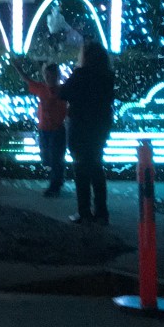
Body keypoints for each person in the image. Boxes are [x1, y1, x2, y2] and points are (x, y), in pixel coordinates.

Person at [58, 40, 115, 224]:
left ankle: (84, 212)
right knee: (96, 166)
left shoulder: (81, 74)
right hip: (100, 126)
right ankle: (102, 212)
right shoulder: (107, 76)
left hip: (80, 126)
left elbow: (63, 93)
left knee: (81, 168)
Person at [18, 62, 69, 197]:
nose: (48, 78)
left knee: (55, 158)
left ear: (57, 76)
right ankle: (58, 180)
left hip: (57, 130)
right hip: (44, 129)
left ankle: (55, 185)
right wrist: (18, 68)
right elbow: (27, 80)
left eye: (51, 76)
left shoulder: (62, 90)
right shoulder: (42, 88)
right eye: (47, 75)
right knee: (47, 158)